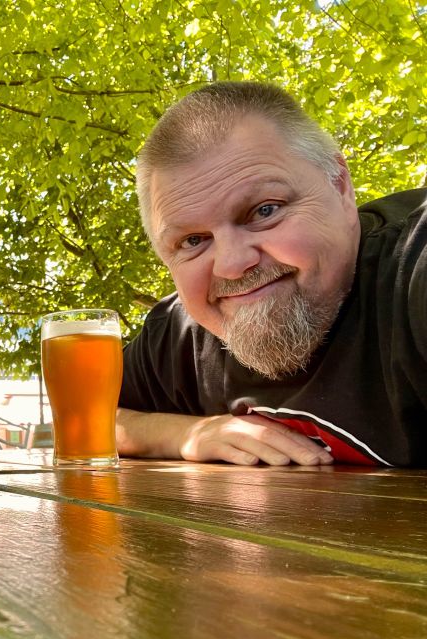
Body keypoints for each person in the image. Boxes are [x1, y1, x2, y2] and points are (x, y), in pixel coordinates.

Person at [118, 81, 426, 468]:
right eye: (194, 240)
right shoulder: (179, 337)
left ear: (340, 186)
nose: (231, 265)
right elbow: (84, 418)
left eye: (265, 210)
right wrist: (186, 434)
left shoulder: (412, 271)